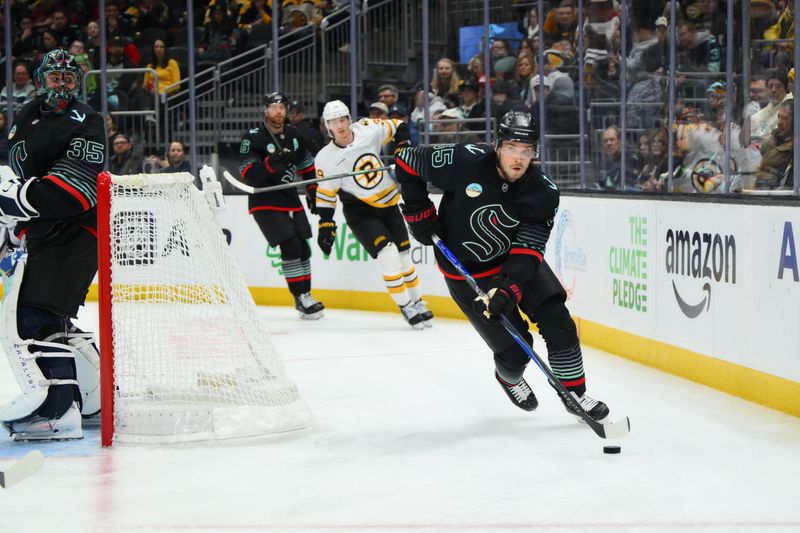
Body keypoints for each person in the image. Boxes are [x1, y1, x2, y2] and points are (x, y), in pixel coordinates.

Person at [394, 111, 610, 421]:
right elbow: (406, 160)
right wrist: (418, 212)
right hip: (466, 274)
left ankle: (575, 395)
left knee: (558, 321)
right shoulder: (464, 159)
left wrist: (508, 287)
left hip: (515, 264)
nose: (519, 158)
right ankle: (508, 378)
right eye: (512, 148)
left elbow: (529, 249)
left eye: (527, 151)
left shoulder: (543, 192)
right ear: (497, 145)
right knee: (515, 351)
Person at [0, 49, 107, 441]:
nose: (61, 85)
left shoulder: (86, 120)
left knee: (34, 317)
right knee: (51, 318)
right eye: (54, 78)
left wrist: (15, 201)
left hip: (77, 232)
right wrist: (13, 224)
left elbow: (76, 191)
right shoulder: (26, 117)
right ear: (41, 79)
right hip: (47, 235)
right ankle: (97, 401)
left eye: (68, 79)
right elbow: (6, 168)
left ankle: (58, 412)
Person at [314, 100, 433, 328]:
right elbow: (326, 195)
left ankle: (418, 301)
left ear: (349, 119)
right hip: (360, 211)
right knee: (388, 254)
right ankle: (406, 305)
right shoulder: (325, 158)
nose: (339, 126)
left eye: (342, 120)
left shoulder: (367, 128)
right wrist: (325, 224)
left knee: (405, 257)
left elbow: (399, 126)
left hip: (389, 203)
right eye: (333, 122)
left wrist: (402, 148)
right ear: (327, 126)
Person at [237, 92, 325, 319]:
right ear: (265, 111)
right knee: (291, 245)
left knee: (304, 247)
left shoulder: (295, 134)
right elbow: (248, 174)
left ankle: (306, 295)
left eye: (281, 107)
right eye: (273, 107)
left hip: (289, 197)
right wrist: (270, 164)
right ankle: (300, 297)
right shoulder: (253, 137)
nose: (278, 111)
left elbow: (307, 165)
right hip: (264, 200)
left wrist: (313, 192)